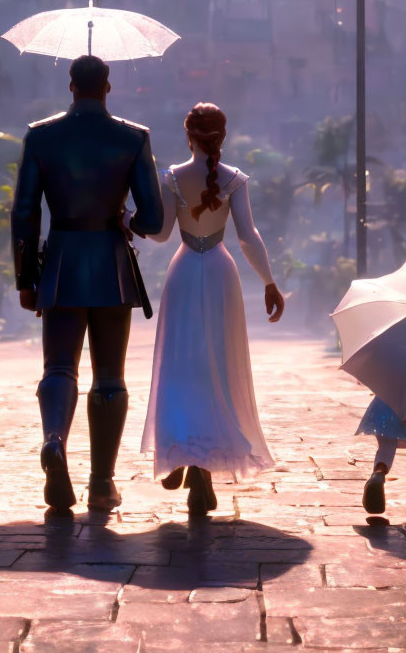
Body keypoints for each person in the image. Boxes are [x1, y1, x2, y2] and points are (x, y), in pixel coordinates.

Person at [11, 55, 163, 513]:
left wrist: (26, 277)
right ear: (109, 87)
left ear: (71, 85)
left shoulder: (40, 136)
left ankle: (54, 442)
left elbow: (23, 214)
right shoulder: (133, 138)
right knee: (110, 378)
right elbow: (153, 219)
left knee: (59, 369)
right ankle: (102, 483)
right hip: (111, 265)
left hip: (60, 264)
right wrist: (125, 219)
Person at [140, 102, 284, 515]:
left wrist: (130, 218)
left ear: (188, 135)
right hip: (222, 274)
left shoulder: (172, 178)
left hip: (184, 271)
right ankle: (199, 468)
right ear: (222, 137)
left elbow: (162, 234)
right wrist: (270, 282)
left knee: (181, 366)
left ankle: (180, 454)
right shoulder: (234, 179)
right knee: (215, 366)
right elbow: (247, 236)